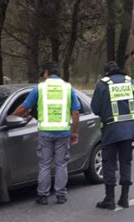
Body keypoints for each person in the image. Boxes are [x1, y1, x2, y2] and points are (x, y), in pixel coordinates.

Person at [11, 62, 80, 205]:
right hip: (62, 132)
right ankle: (61, 195)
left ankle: (43, 196)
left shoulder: (40, 88)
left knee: (45, 165)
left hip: (46, 132)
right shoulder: (68, 88)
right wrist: (75, 132)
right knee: (61, 164)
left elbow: (25, 107)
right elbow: (75, 112)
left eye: (43, 73)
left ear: (47, 73)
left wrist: (11, 116)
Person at [91, 61, 134, 210]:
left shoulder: (103, 84)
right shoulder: (132, 82)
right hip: (130, 130)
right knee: (126, 162)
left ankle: (109, 199)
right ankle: (124, 198)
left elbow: (95, 108)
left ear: (107, 73)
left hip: (111, 130)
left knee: (109, 162)